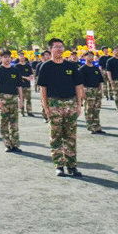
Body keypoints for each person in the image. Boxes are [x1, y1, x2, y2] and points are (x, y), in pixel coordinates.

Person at [37, 39, 84, 177]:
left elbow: (78, 86)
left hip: (70, 104)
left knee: (71, 136)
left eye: (61, 47)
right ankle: (59, 165)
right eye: (56, 47)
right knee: (56, 136)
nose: (59, 49)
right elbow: (43, 89)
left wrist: (79, 105)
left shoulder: (70, 66)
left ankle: (72, 165)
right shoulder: (46, 66)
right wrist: (46, 108)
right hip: (54, 104)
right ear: (50, 49)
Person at [0, 50, 23, 152]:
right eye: (5, 57)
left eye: (9, 57)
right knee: (4, 123)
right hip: (3, 99)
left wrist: (21, 100)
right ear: (1, 58)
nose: (7, 59)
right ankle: (7, 144)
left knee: (14, 123)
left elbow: (19, 86)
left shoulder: (15, 70)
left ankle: (15, 144)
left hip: (13, 99)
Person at [79, 51, 105, 134]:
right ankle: (90, 127)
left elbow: (100, 80)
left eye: (92, 56)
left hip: (96, 90)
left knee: (96, 109)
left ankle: (97, 126)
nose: (91, 57)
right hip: (88, 90)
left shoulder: (96, 69)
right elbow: (80, 83)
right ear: (85, 57)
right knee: (89, 109)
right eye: (89, 56)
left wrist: (101, 90)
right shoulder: (82, 69)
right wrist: (82, 93)